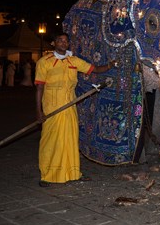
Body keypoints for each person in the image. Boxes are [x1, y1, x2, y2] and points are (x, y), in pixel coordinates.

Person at [34, 32, 117, 187]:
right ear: (54, 43)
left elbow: (95, 69)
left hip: (69, 105)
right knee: (50, 140)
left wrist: (111, 65)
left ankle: (72, 173)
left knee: (70, 138)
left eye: (66, 41)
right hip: (52, 107)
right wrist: (39, 111)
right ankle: (47, 175)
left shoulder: (73, 60)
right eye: (60, 40)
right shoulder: (44, 62)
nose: (63, 43)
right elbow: (39, 88)